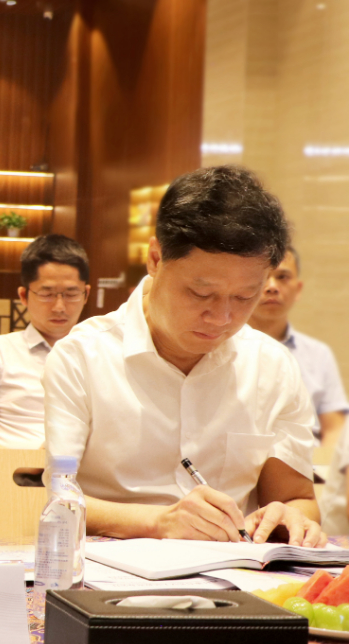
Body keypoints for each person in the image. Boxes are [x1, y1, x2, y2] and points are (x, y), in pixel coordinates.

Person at [45, 165, 324, 546]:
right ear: (155, 259)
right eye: (200, 293)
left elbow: (296, 499)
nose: (222, 317)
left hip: (231, 573)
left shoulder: (271, 366)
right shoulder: (82, 357)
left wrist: (289, 517)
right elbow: (57, 499)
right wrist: (158, 522)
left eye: (245, 297)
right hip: (109, 571)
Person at [0, 234, 90, 458]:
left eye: (71, 294)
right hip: (14, 473)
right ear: (24, 296)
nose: (59, 307)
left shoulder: (103, 354)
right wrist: (29, 463)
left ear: (86, 294)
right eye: (47, 294)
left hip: (84, 474)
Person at [247, 247, 348, 448]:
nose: (272, 287)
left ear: (298, 289)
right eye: (263, 277)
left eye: (282, 277)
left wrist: (324, 467)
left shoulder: (319, 354)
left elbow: (334, 428)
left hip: (309, 462)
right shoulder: (221, 348)